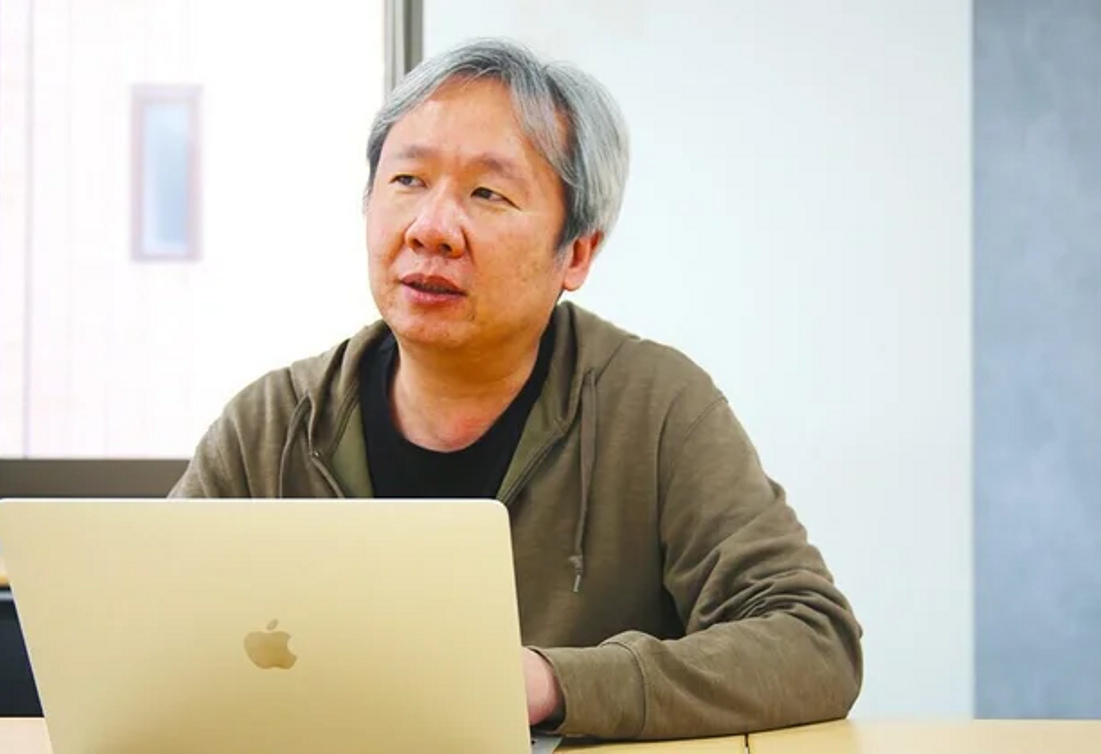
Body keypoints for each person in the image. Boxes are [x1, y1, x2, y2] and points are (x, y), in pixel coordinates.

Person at [170, 37, 863, 741]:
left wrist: (550, 684)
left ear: (577, 253)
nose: (432, 229)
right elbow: (144, 637)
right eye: (407, 180)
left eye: (487, 193)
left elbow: (814, 642)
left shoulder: (656, 409)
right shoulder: (273, 424)